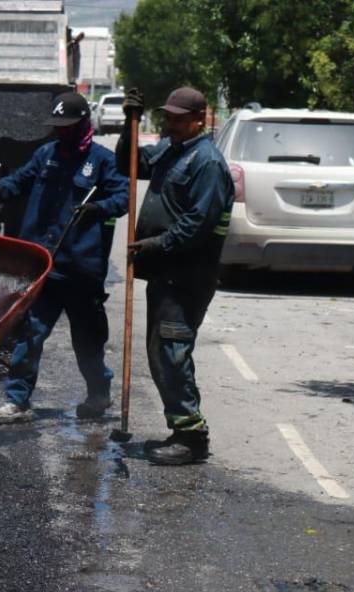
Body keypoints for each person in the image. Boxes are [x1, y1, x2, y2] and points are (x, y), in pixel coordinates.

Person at [0, 91, 129, 425]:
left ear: (82, 124)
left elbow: (123, 196)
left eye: (67, 126)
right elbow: (19, 180)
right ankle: (17, 401)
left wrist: (99, 208)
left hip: (81, 270)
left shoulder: (102, 161)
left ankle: (98, 393)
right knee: (30, 334)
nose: (61, 132)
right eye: (57, 126)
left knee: (88, 341)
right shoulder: (45, 154)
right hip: (43, 265)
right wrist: (1, 190)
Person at [117, 86, 234, 465]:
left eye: (179, 119)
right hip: (166, 274)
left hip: (187, 276)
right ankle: (180, 429)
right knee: (160, 353)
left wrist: (156, 244)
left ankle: (192, 437)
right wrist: (128, 126)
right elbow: (129, 164)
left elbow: (199, 224)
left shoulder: (208, 163)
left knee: (172, 352)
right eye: (168, 117)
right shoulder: (172, 150)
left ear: (201, 118)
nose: (171, 124)